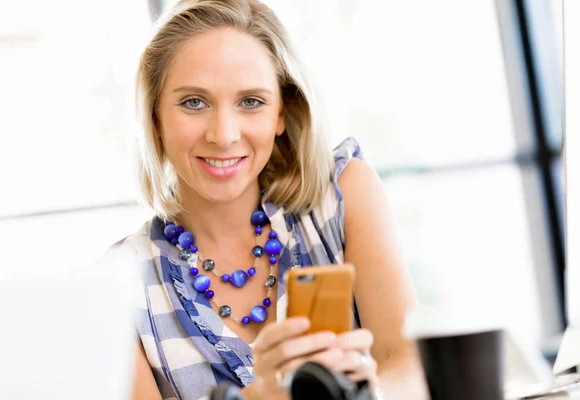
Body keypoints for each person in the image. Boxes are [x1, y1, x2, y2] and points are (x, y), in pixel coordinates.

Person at [105, 0, 428, 398]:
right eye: (194, 102)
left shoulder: (344, 194)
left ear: (281, 112)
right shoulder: (119, 282)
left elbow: (411, 363)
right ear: (155, 117)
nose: (223, 134)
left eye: (251, 102)